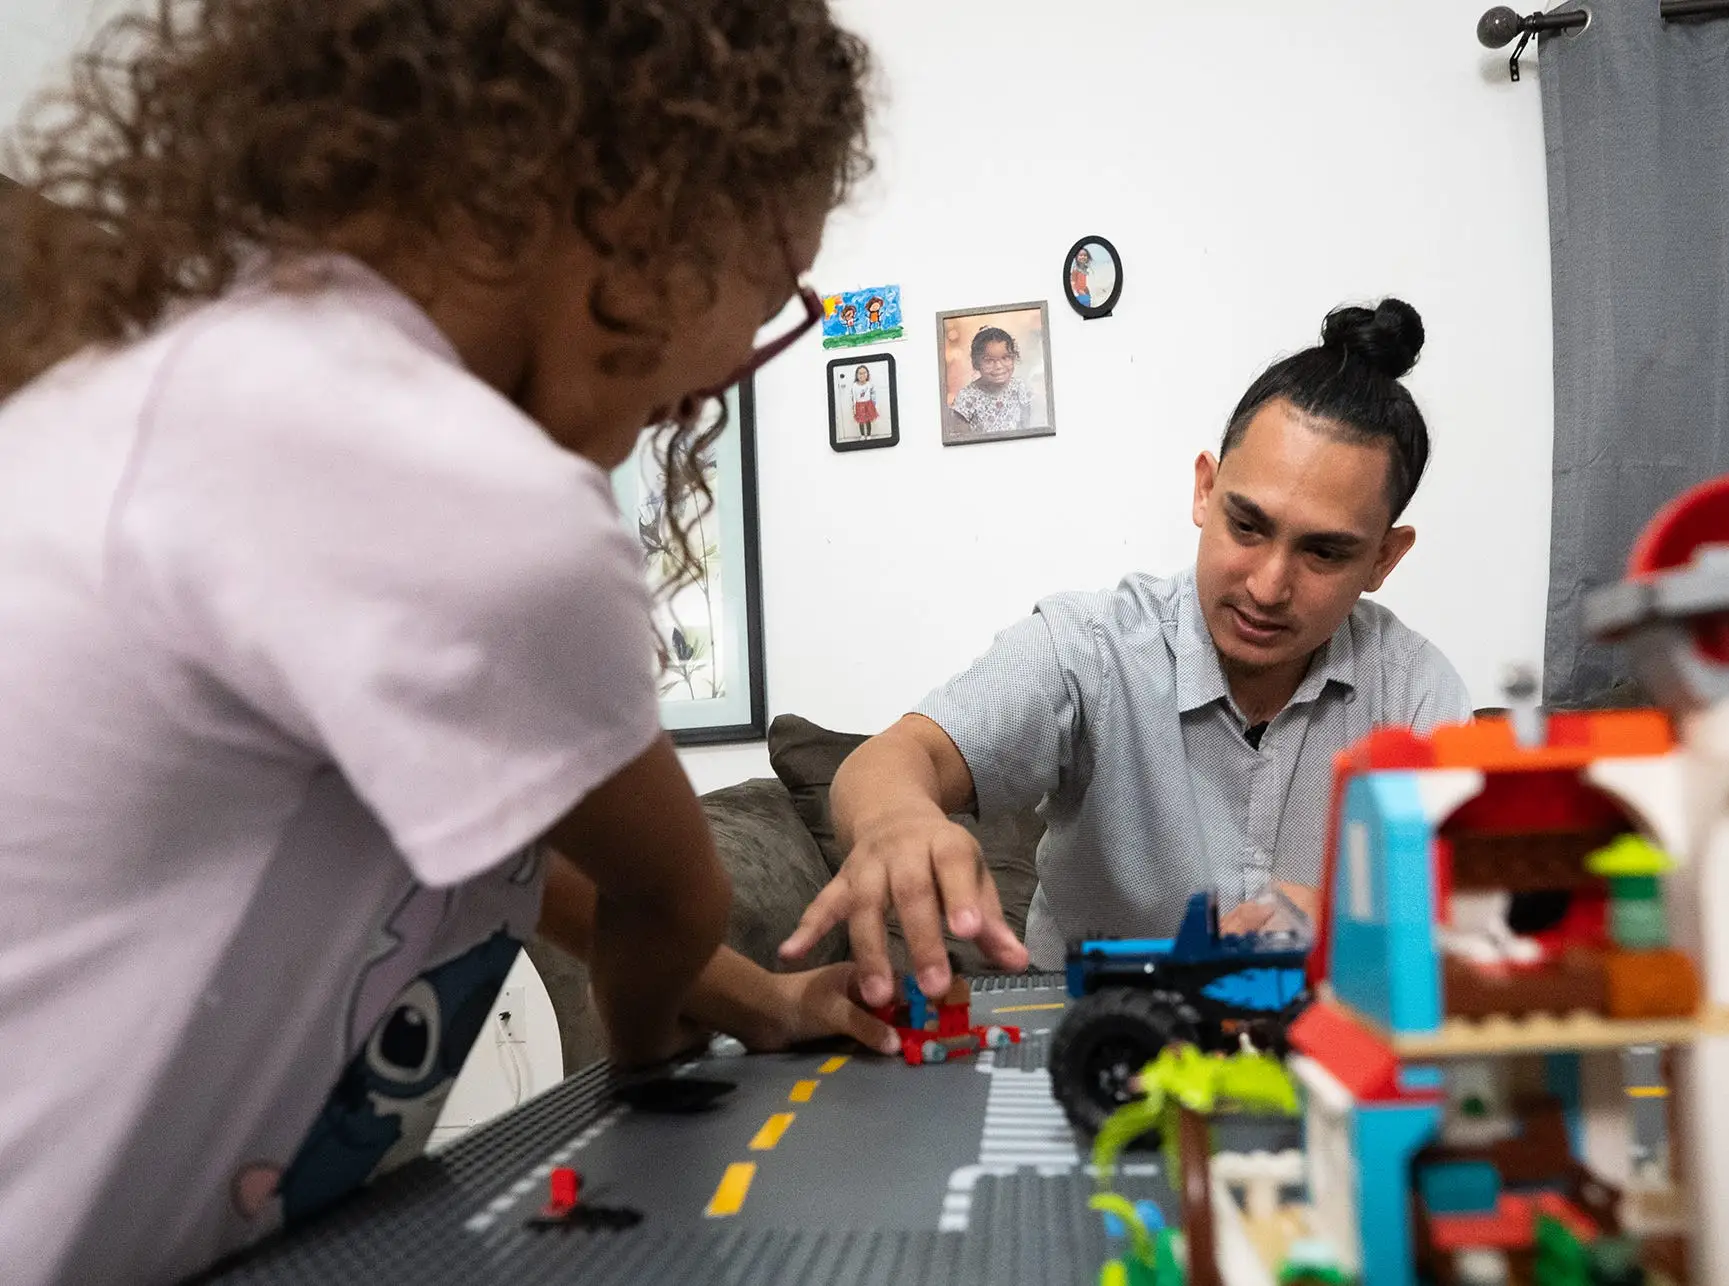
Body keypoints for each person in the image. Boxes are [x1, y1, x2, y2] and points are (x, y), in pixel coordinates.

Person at [0, 2, 890, 1282]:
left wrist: (778, 1004)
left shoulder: (225, 374)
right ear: (646, 193)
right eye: (775, 282)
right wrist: (646, 1062)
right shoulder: (471, 493)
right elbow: (666, 891)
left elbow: (527, 841)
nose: (740, 361)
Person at [784, 299, 1473, 1005]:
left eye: (1324, 552)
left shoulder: (1416, 694)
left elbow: (1480, 916)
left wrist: (1342, 926)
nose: (1267, 587)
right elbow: (901, 757)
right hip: (1092, 1033)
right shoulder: (1091, 650)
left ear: (1384, 559)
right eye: (1246, 525)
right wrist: (897, 821)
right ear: (1204, 490)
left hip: (1329, 1042)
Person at [948, 325, 1034, 435]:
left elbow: (1029, 427)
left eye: (1005, 358)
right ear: (976, 363)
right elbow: (960, 438)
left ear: (1013, 357)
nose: (998, 366)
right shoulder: (966, 397)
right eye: (989, 361)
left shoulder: (1020, 388)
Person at [851, 363, 882, 438]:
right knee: (861, 421)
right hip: (859, 405)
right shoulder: (854, 385)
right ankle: (862, 435)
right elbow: (853, 397)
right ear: (857, 375)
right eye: (860, 373)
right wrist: (854, 407)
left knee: (868, 421)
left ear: (867, 374)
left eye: (864, 373)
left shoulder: (869, 384)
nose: (862, 375)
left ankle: (868, 435)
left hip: (868, 405)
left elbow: (873, 395)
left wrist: (873, 405)